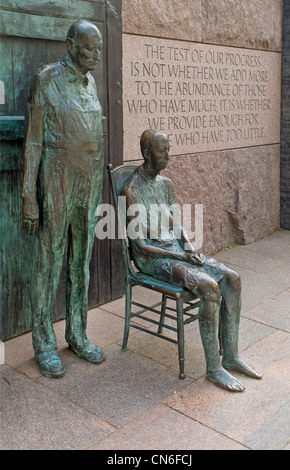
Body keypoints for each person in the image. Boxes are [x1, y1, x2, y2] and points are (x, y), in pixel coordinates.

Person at [122, 129, 262, 392]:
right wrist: (181, 255)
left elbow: (175, 224)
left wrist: (189, 248)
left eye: (168, 149)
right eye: (163, 150)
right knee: (210, 287)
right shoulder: (132, 191)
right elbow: (140, 245)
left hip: (176, 251)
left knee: (232, 279)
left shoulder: (165, 185)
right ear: (147, 153)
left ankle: (230, 356)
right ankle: (214, 369)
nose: (168, 155)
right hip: (152, 260)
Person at [22, 19, 105, 378]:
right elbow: (33, 141)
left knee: (80, 260)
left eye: (100, 49)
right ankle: (43, 342)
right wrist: (28, 196)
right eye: (90, 48)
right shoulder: (46, 79)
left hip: (89, 178)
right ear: (71, 45)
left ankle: (77, 332)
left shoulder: (90, 82)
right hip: (57, 177)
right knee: (50, 259)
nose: (96, 56)